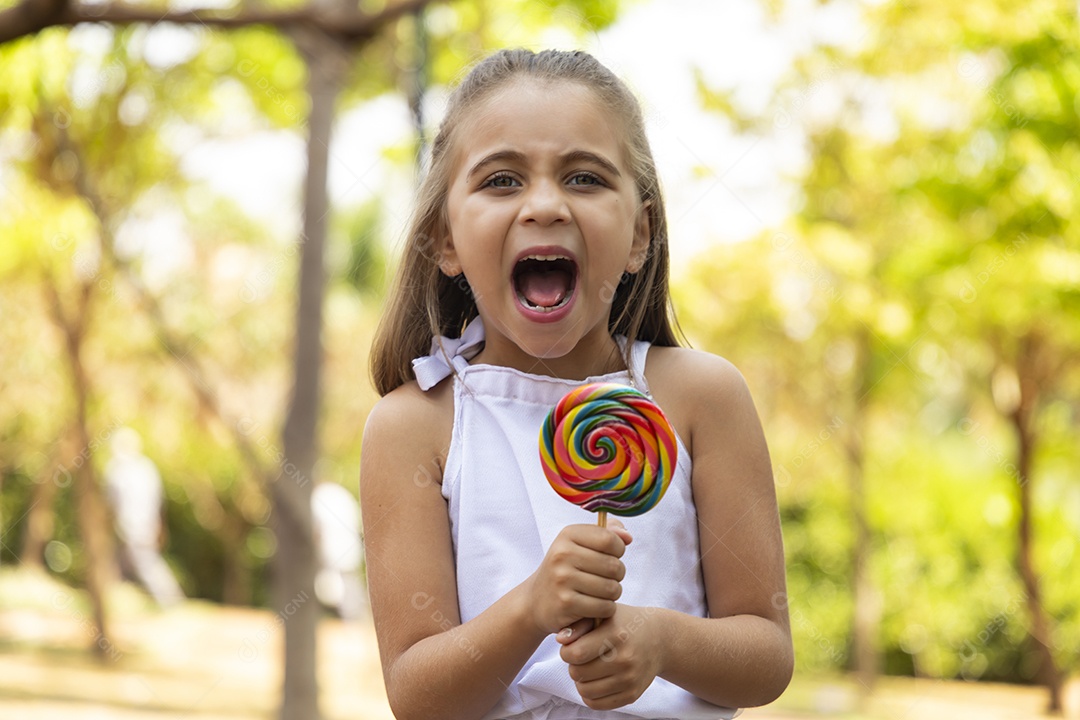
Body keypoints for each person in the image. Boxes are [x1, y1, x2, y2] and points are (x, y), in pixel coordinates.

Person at [360, 48, 792, 720]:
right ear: (444, 238)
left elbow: (766, 656)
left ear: (640, 233)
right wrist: (532, 608)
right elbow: (417, 695)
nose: (544, 205)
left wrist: (661, 640)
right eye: (501, 180)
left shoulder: (703, 398)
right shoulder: (414, 425)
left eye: (585, 178)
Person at [104, 427, 184, 607]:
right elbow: (159, 501)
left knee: (146, 564)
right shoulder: (147, 468)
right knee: (127, 563)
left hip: (131, 526)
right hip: (145, 525)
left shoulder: (116, 470)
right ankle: (117, 602)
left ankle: (172, 601)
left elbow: (111, 503)